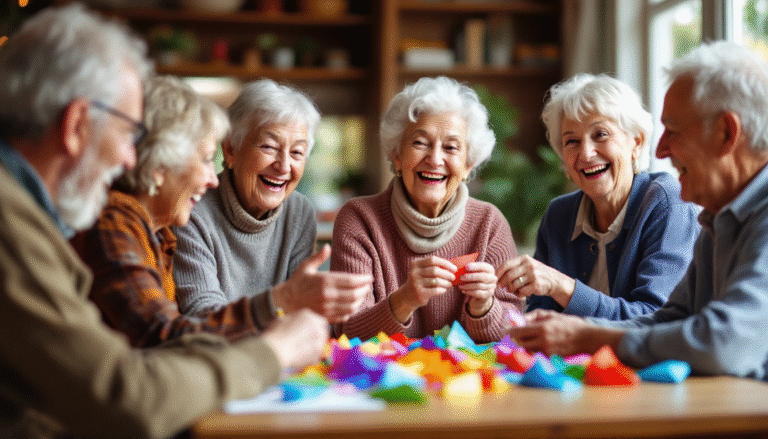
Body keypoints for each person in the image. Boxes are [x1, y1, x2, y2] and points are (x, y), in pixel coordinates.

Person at [0, 5, 329, 438]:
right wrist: (275, 349)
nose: (130, 158)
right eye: (126, 134)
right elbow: (129, 393)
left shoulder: (36, 213)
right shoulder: (15, 223)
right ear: (77, 124)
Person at [509, 41, 768, 379]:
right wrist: (578, 333)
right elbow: (672, 318)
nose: (660, 150)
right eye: (572, 141)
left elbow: (723, 343)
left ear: (726, 133)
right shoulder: (718, 219)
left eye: (672, 131)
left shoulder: (690, 206)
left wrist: (586, 336)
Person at [72, 75, 320, 348]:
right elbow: (165, 335)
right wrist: (279, 302)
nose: (212, 179)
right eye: (204, 160)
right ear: (160, 164)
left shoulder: (157, 232)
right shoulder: (114, 226)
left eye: (297, 153)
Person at [331, 76, 523, 343]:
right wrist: (405, 299)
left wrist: (484, 307)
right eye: (420, 143)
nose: (434, 159)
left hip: (468, 382)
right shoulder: (360, 219)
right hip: (380, 382)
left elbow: (515, 330)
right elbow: (347, 331)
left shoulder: (489, 223)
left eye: (451, 148)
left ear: (468, 164)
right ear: (397, 156)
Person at [496, 74, 700, 320]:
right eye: (572, 141)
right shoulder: (559, 215)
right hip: (571, 360)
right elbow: (540, 315)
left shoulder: (666, 203)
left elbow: (656, 319)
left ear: (636, 142)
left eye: (600, 134)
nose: (586, 153)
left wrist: (563, 287)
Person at [173, 79, 371, 324]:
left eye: (297, 152)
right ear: (231, 149)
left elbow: (301, 313)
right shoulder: (192, 210)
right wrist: (285, 301)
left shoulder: (298, 213)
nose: (284, 166)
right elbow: (202, 314)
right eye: (269, 146)